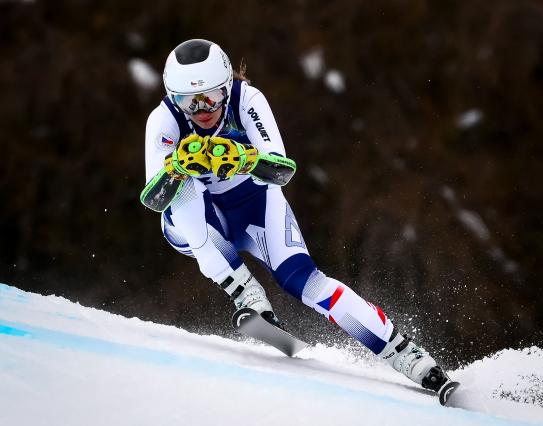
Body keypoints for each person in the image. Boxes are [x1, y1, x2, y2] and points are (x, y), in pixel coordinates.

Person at [141, 39, 458, 402]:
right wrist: (177, 168)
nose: (201, 111)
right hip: (204, 222)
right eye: (188, 101)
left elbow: (280, 172)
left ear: (227, 86)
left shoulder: (248, 100)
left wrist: (245, 159)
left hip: (256, 207)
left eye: (211, 98)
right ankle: (246, 292)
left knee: (307, 283)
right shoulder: (163, 120)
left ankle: (405, 354)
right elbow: (155, 199)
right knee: (184, 198)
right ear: (172, 97)